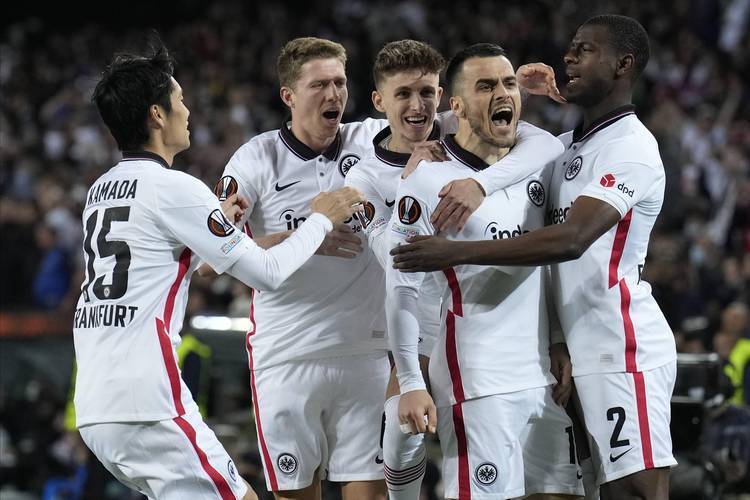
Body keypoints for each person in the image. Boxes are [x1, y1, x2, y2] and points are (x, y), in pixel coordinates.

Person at [391, 15, 678, 500]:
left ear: (623, 64)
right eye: (571, 48)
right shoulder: (563, 149)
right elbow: (504, 136)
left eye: (585, 50)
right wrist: (438, 131)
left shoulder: (631, 147)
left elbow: (571, 240)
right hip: (568, 357)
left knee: (634, 490)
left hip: (620, 347)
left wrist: (454, 252)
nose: (568, 57)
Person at [73, 38, 364, 500]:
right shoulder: (174, 188)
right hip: (148, 401)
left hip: (95, 405)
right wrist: (321, 219)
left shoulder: (101, 190)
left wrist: (220, 225)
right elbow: (267, 274)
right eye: (180, 100)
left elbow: (167, 263)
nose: (188, 111)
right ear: (157, 115)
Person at [345, 39, 574, 500]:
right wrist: (409, 187)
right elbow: (397, 266)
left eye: (425, 94)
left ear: (443, 100)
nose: (417, 106)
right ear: (380, 102)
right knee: (402, 428)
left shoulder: (485, 139)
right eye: (403, 94)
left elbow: (542, 142)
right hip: (444, 334)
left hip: (532, 365)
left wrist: (479, 183)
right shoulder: (379, 177)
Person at [218, 37, 391, 500]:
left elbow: (446, 118)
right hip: (286, 355)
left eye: (340, 83)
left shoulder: (372, 140)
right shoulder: (256, 158)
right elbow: (215, 254)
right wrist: (307, 235)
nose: (334, 94)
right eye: (319, 85)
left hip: (366, 351)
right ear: (289, 96)